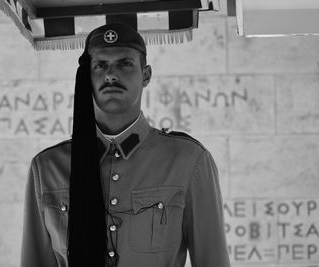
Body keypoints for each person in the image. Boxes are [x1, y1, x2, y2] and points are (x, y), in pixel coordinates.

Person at [21, 23, 230, 267]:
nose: (111, 74)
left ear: (146, 75)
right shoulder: (47, 168)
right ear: (86, 76)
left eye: (124, 64)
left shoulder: (188, 161)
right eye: (100, 65)